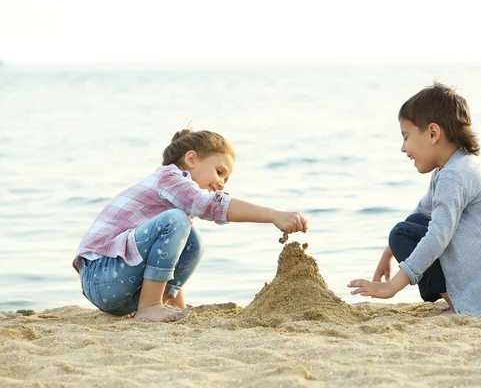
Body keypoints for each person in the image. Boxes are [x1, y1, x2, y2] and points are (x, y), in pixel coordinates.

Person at [74, 129, 308, 322]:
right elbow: (212, 206)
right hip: (100, 275)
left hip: (122, 291)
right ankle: (150, 306)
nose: (221, 184)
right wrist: (274, 215)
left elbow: (170, 252)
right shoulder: (169, 177)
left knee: (192, 239)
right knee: (176, 221)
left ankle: (166, 302)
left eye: (226, 180)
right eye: (219, 172)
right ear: (191, 159)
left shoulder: (177, 198)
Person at [347, 82, 481, 316]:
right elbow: (421, 215)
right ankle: (462, 301)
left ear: (433, 133)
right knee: (407, 228)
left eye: (406, 137)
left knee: (404, 233)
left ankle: (460, 307)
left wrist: (392, 287)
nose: (403, 148)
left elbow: (437, 236)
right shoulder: (452, 168)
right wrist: (389, 252)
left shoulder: (454, 176)